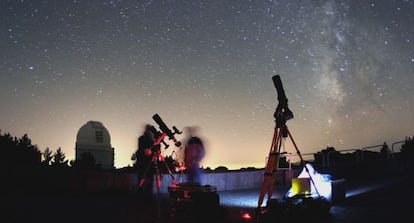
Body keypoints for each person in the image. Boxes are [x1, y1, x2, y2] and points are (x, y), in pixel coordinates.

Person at [136, 124, 156, 200]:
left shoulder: (144, 139)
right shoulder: (148, 140)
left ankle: (143, 196)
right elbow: (143, 151)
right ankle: (145, 196)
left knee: (145, 180)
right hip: (145, 163)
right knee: (144, 180)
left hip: (145, 164)